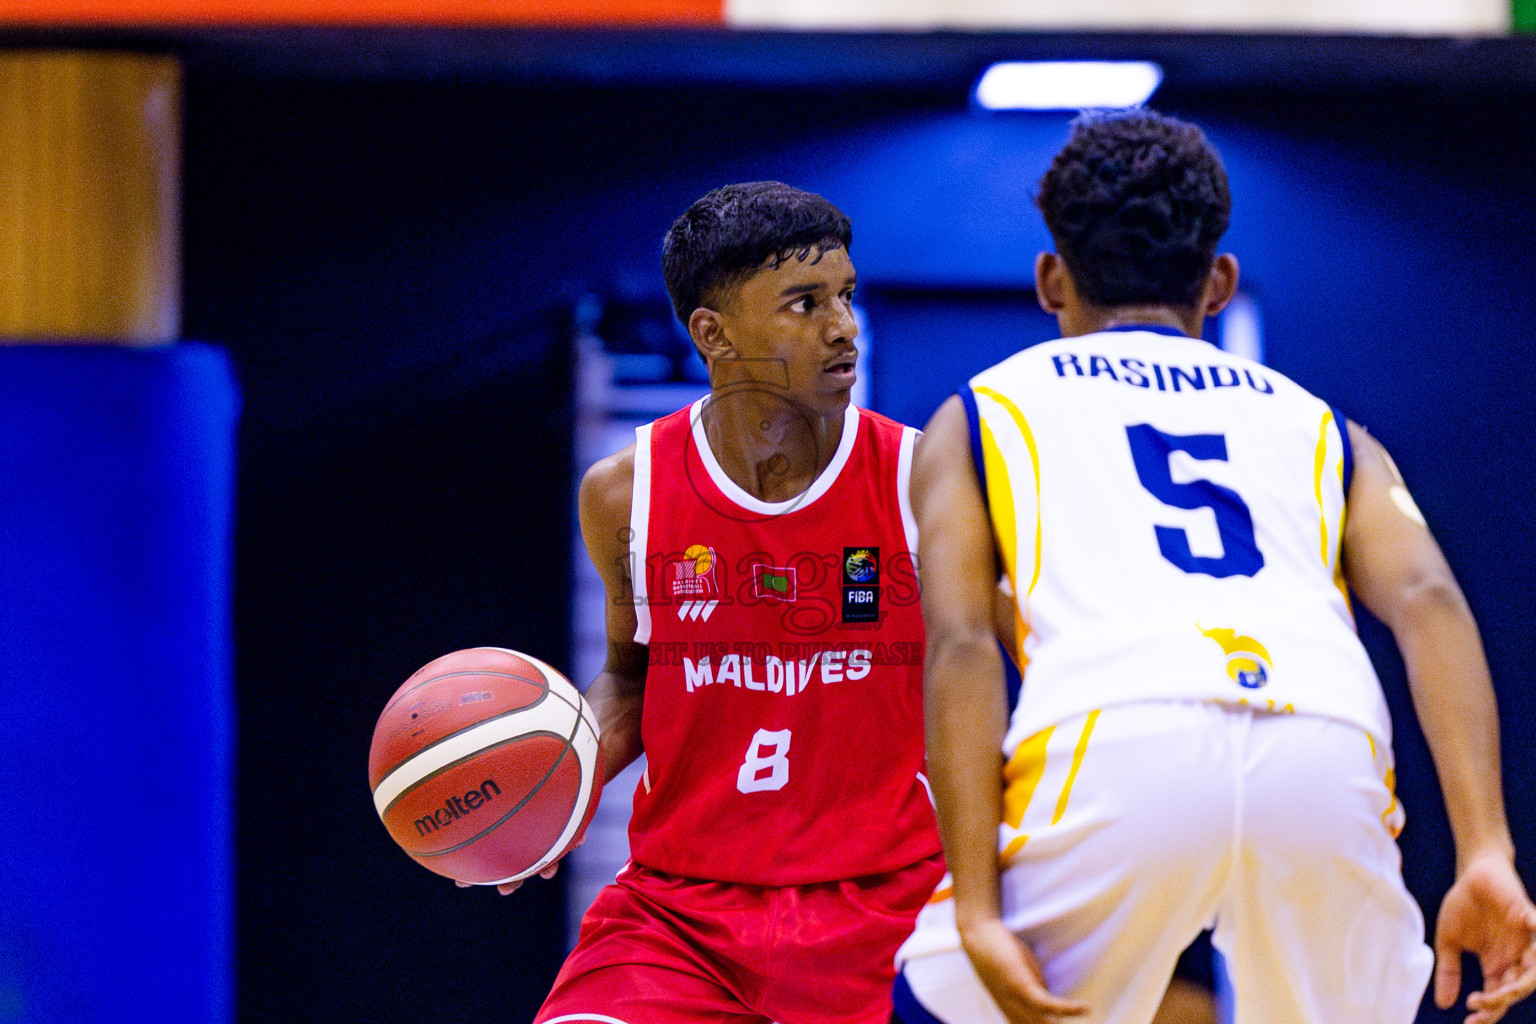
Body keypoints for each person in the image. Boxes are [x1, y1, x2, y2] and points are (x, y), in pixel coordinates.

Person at [894, 109, 1536, 1024]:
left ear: (1050, 279)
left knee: (941, 1004)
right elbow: (1430, 599)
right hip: (1323, 741)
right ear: (1221, 281)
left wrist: (977, 906)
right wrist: (1485, 851)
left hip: (1112, 734)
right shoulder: (1326, 427)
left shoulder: (982, 412)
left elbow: (959, 646)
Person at [529, 180, 943, 1024]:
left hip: (889, 916)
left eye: (845, 296)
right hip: (682, 918)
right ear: (713, 334)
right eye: (804, 302)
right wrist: (553, 781)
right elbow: (632, 680)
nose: (843, 326)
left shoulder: (924, 478)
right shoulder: (626, 494)